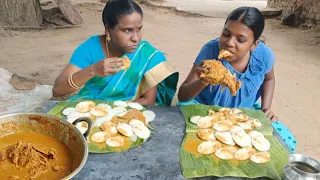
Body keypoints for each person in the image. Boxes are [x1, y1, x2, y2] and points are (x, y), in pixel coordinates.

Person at [177, 7, 296, 152]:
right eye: (226, 34)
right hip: (204, 107)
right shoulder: (210, 51)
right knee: (189, 138)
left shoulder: (263, 56)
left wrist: (266, 107)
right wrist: (203, 81)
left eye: (241, 40)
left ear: (254, 44)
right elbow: (182, 95)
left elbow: (269, 79)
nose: (230, 43)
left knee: (283, 140)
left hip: (243, 112)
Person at [52, 0, 178, 106]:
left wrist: (113, 112)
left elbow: (147, 101)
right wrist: (93, 70)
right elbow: (58, 90)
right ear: (108, 29)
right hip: (91, 106)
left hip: (127, 111)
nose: (135, 38)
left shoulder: (146, 55)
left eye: (138, 29)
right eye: (127, 30)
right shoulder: (91, 48)